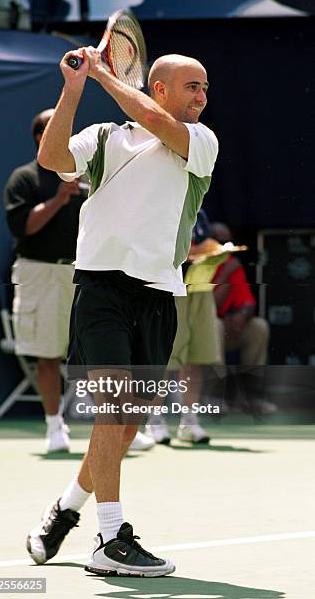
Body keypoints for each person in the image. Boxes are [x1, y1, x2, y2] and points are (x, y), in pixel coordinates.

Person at [26, 47, 218, 577]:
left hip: (159, 294)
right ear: (159, 87)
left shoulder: (200, 141)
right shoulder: (106, 137)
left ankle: (66, 508)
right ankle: (110, 537)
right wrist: (73, 89)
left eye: (205, 88)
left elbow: (155, 122)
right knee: (113, 412)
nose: (203, 97)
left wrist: (104, 75)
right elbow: (52, 157)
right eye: (192, 87)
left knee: (125, 426)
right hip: (101, 288)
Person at [4, 109, 85, 453]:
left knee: (94, 353)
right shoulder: (24, 178)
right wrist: (59, 199)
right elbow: (25, 227)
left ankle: (112, 427)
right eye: (57, 130)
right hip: (39, 273)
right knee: (47, 355)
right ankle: (55, 427)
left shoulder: (84, 175)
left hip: (82, 272)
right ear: (41, 138)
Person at [145, 209, 223, 444]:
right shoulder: (159, 204)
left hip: (200, 290)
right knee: (166, 361)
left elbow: (204, 243)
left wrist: (213, 253)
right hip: (170, 291)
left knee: (195, 359)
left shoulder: (200, 211)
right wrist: (192, 253)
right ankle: (154, 421)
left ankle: (189, 422)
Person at [211, 222, 275, 414]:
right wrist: (225, 274)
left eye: (227, 241)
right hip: (201, 331)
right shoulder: (197, 264)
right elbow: (208, 307)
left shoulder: (231, 263)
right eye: (219, 241)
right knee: (214, 325)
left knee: (258, 327)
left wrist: (241, 316)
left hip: (229, 328)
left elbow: (248, 302)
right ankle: (216, 396)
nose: (224, 246)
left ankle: (251, 396)